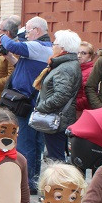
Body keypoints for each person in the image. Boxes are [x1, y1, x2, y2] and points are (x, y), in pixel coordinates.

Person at [0, 16, 54, 194]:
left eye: (28, 31)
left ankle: (27, 182)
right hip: (31, 101)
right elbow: (22, 66)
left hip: (26, 102)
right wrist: (9, 57)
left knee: (26, 144)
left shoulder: (39, 46)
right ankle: (32, 181)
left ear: (37, 31)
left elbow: (14, 46)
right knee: (34, 143)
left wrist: (2, 35)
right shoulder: (41, 49)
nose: (26, 34)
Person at [33, 30, 82, 161]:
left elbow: (61, 95)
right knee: (56, 155)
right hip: (58, 117)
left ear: (63, 48)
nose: (52, 46)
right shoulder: (65, 64)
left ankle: (57, 181)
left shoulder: (65, 67)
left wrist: (41, 107)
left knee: (56, 158)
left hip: (56, 119)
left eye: (54, 44)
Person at [75, 41, 95, 117]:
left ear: (90, 56)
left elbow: (87, 97)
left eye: (83, 53)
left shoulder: (90, 71)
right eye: (77, 53)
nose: (79, 56)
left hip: (81, 113)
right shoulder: (77, 69)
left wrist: (72, 104)